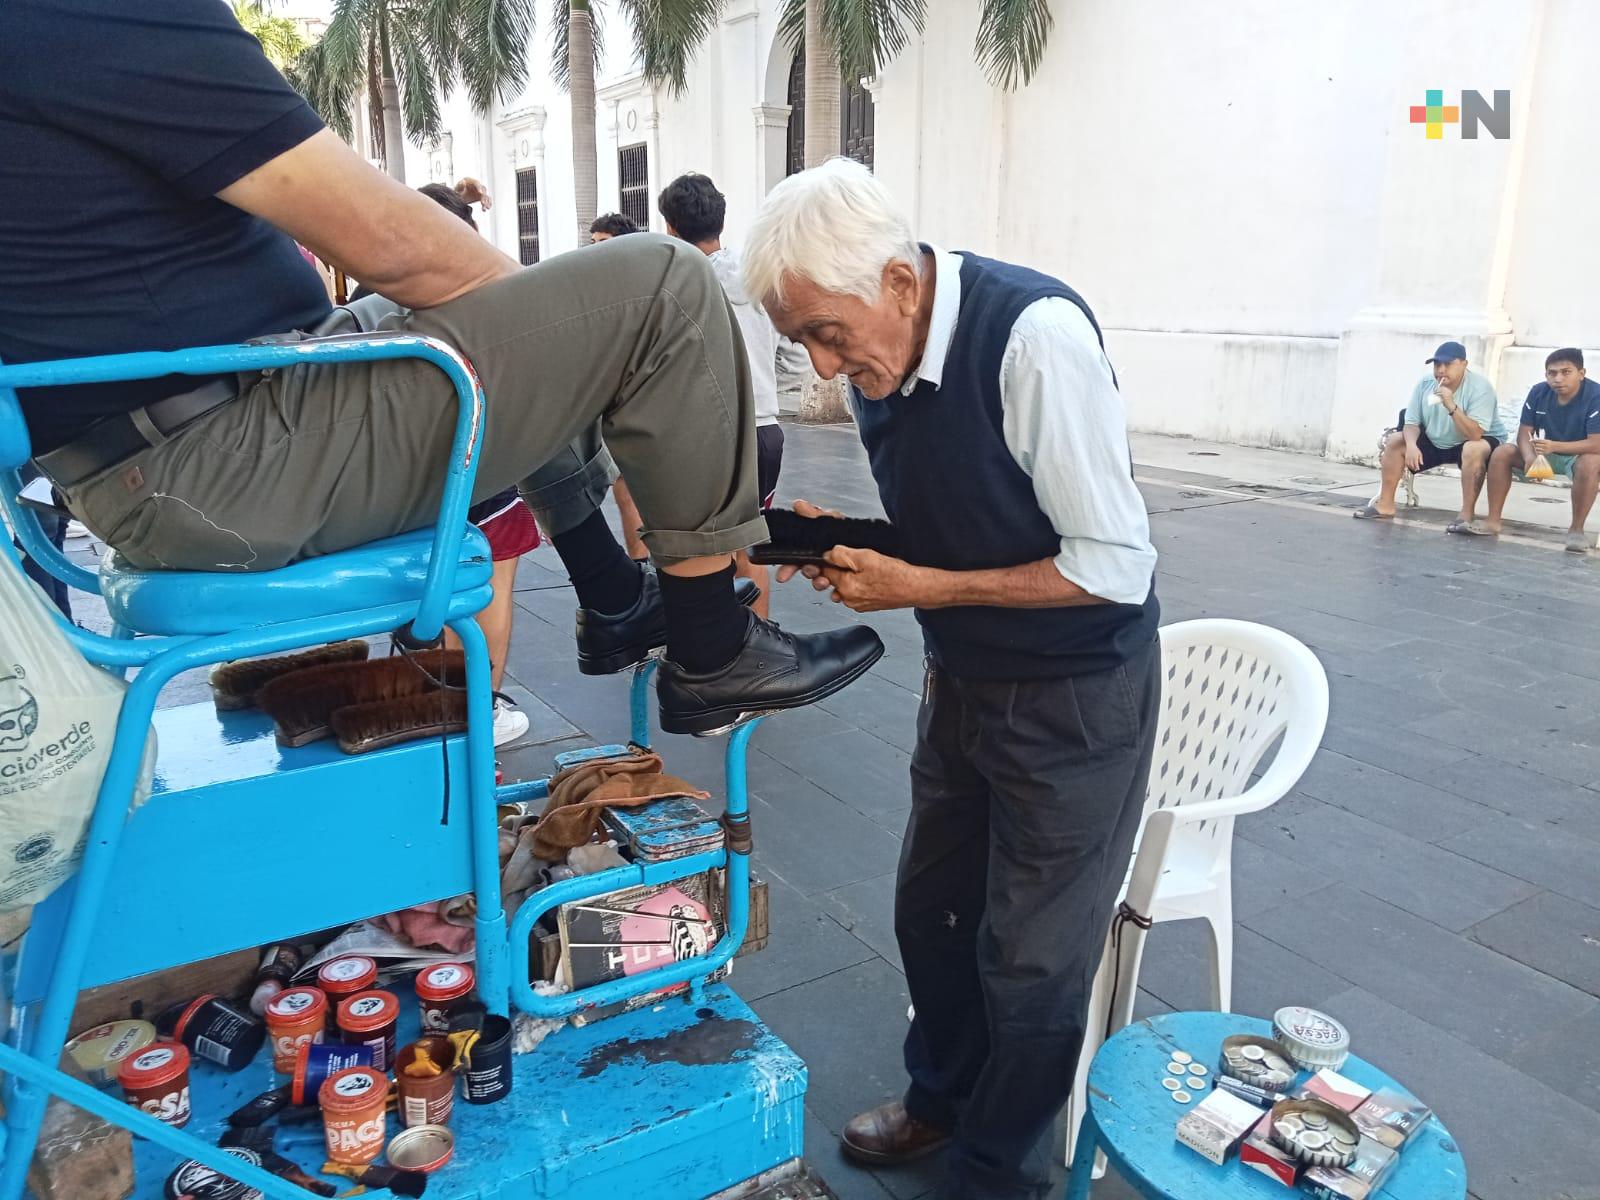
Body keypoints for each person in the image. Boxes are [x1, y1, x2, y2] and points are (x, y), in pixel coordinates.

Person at [0, 0, 881, 737]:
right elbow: (394, 243)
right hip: (211, 454)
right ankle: (714, 648)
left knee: (493, 322)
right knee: (662, 286)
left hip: (200, 428)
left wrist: (549, 333)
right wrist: (573, 329)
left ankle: (614, 596)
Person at [743, 159, 1161, 1200]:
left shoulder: (1033, 340)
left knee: (1030, 955)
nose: (827, 368)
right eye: (801, 345)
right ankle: (939, 1099)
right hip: (965, 677)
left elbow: (1112, 563)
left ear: (897, 279)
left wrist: (919, 582)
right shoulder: (885, 351)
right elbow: (957, 519)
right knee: (930, 910)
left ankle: (991, 1162)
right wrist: (835, 542)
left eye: (829, 335)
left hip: (1073, 698)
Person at [351, 179, 538, 747]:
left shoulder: (363, 307)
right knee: (487, 595)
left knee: (419, 602)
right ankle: (478, 718)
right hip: (485, 478)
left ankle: (429, 718)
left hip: (390, 492)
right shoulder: (490, 299)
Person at [658, 173, 808, 621]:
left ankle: (710, 647)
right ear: (719, 221)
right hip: (764, 431)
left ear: (670, 227)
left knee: (699, 550)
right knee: (752, 546)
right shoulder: (759, 279)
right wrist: (766, 389)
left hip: (708, 436)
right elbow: (796, 355)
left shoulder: (679, 286)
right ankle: (759, 645)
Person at [1351, 341, 1505, 531]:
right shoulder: (1425, 384)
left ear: (1464, 364)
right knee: (1396, 441)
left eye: (1447, 364)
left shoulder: (1480, 388)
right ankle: (1385, 504)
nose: (1441, 370)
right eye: (1437, 365)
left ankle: (1466, 514)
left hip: (1476, 440)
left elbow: (1475, 433)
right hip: (1438, 438)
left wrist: (1450, 405)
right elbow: (1411, 422)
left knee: (1473, 448)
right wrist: (1412, 445)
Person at [1485, 347, 1600, 552]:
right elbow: (1524, 432)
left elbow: (1596, 444)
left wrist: (1555, 446)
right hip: (1542, 454)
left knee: (1591, 462)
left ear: (1581, 374)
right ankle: (1493, 520)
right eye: (1552, 373)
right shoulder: (1538, 392)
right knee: (1502, 453)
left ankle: (1576, 530)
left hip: (1578, 456)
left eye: (1566, 372)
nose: (1558, 379)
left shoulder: (1595, 396)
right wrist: (1529, 457)